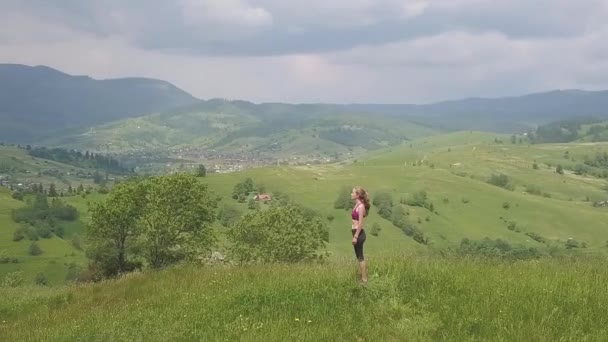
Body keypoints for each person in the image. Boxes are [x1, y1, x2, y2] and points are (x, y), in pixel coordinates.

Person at [351, 186, 370, 283]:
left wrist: (355, 236)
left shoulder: (361, 206)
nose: (351, 194)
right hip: (355, 233)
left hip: (359, 234)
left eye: (353, 192)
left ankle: (364, 279)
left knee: (360, 257)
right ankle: (362, 277)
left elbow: (361, 223)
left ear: (357, 195)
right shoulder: (357, 205)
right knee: (358, 256)